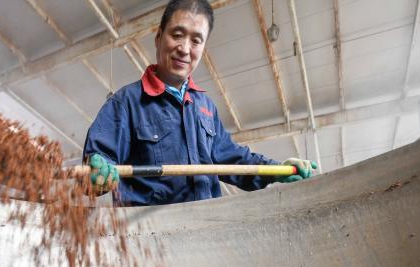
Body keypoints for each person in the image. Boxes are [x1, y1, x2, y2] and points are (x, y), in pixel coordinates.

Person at [83, 0, 316, 206]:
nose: (184, 49)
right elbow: (95, 165)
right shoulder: (126, 103)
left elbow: (234, 158)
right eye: (177, 34)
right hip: (148, 239)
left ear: (203, 48)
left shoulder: (204, 106)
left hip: (206, 229)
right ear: (158, 37)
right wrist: (98, 171)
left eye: (196, 40)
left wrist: (276, 169)